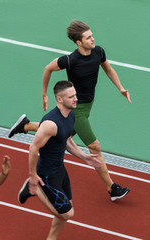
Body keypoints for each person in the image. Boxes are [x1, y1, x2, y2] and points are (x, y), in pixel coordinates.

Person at [9, 20, 131, 201]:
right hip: (77, 108)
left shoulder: (99, 51)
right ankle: (112, 188)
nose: (92, 39)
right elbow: (48, 68)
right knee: (94, 146)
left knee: (60, 131)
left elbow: (108, 69)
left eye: (92, 35)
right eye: (88, 37)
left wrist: (120, 87)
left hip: (88, 105)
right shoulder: (70, 60)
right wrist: (44, 94)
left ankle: (26, 125)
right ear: (79, 43)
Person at [18, 81, 102, 240]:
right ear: (59, 99)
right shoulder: (50, 124)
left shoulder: (70, 115)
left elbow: (67, 140)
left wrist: (84, 157)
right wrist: (33, 176)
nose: (76, 99)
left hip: (59, 170)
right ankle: (35, 189)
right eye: (71, 97)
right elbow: (33, 148)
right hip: (47, 174)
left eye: (75, 95)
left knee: (65, 208)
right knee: (68, 213)